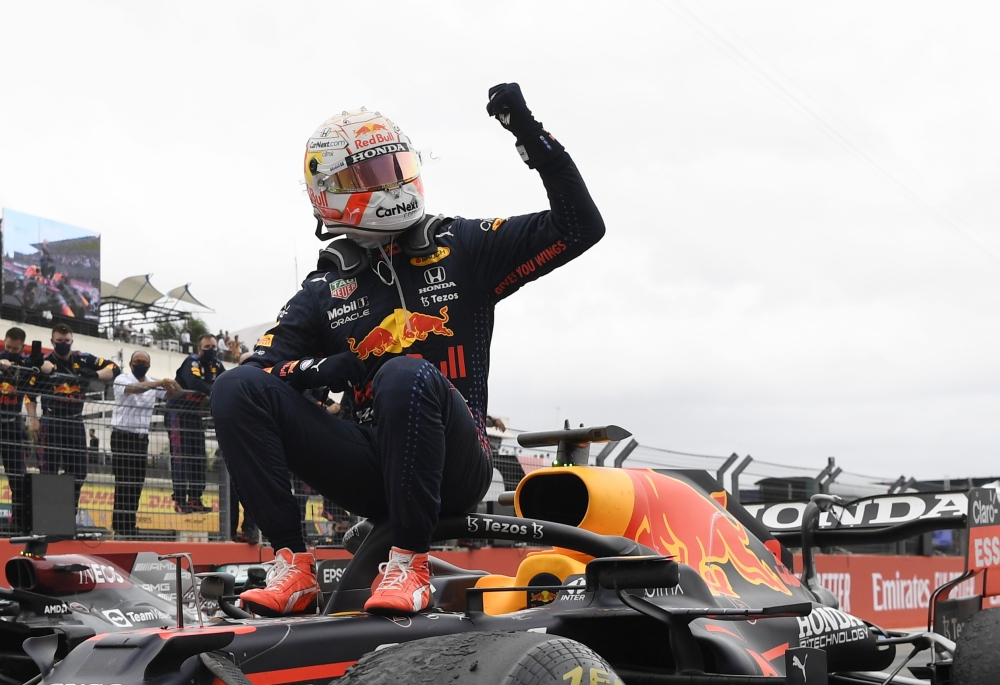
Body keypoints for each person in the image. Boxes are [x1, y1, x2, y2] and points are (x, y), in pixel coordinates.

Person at [212, 83, 605, 616]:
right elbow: (258, 372)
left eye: (396, 168)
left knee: (403, 372)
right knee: (233, 388)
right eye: (369, 176)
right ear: (328, 191)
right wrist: (323, 368)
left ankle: (410, 564)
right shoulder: (323, 290)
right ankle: (292, 568)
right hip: (373, 471)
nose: (390, 183)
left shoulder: (462, 245)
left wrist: (530, 133)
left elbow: (580, 226)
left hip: (458, 465)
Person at [37, 323, 120, 509]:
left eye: (67, 341)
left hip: (75, 421)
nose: (63, 344)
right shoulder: (45, 361)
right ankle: (49, 517)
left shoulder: (83, 358)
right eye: (59, 341)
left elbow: (114, 368)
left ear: (72, 341)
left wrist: (95, 373)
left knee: (79, 471)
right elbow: (30, 384)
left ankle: (68, 512)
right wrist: (33, 419)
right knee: (48, 470)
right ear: (52, 341)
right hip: (51, 421)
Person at [110, 351, 182, 536]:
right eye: (137, 361)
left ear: (149, 366)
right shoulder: (122, 379)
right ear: (131, 363)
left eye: (144, 362)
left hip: (141, 437)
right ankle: (120, 526)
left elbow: (175, 393)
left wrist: (174, 383)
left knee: (136, 482)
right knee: (123, 481)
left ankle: (130, 525)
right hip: (122, 436)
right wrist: (159, 383)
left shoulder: (152, 382)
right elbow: (135, 388)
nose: (141, 364)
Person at [167, 334, 225, 513]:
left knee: (199, 457)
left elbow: (225, 381)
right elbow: (194, 382)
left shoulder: (216, 365)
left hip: (194, 414)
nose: (211, 350)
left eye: (214, 347)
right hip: (177, 413)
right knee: (180, 457)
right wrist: (214, 390)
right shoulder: (191, 361)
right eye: (207, 347)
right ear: (199, 349)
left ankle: (195, 498)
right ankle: (179, 499)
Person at [0, 327, 37, 533]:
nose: (11, 351)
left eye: (15, 348)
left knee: (18, 478)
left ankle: (18, 525)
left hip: (13, 426)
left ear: (22, 347)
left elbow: (40, 367)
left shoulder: (26, 364)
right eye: (8, 347)